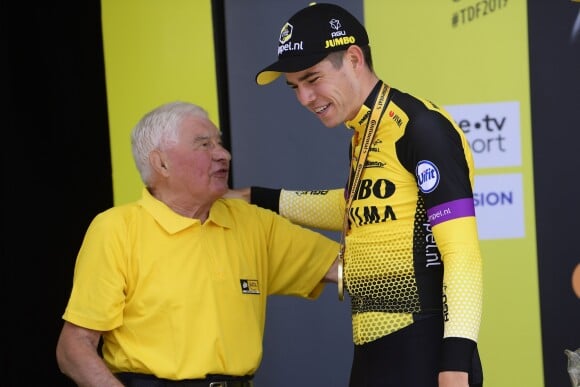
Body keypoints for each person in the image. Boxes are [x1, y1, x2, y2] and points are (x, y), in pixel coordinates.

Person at [229, 3, 484, 387]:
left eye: (312, 79)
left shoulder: (420, 127)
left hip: (424, 345)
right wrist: (256, 197)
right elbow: (354, 206)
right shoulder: (364, 133)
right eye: (295, 87)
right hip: (372, 347)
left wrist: (455, 362)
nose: (304, 98)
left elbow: (461, 252)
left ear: (353, 58)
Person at [56, 101, 340, 386]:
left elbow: (345, 269)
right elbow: (74, 348)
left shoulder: (250, 222)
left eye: (219, 143)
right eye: (204, 145)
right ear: (161, 163)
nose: (224, 155)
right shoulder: (118, 228)